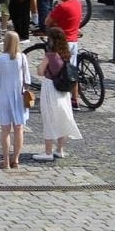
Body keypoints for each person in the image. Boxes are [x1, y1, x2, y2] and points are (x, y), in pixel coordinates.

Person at [34, 27, 81, 161]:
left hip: (50, 87)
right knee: (63, 117)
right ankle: (60, 149)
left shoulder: (50, 55)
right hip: (63, 90)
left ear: (52, 40)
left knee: (48, 118)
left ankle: (48, 152)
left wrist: (40, 65)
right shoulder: (66, 54)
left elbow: (40, 72)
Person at [0, 30, 31, 170]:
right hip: (19, 96)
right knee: (19, 129)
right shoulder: (23, 58)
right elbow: (27, 79)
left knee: (5, 130)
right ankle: (16, 159)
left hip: (3, 96)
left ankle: (6, 160)